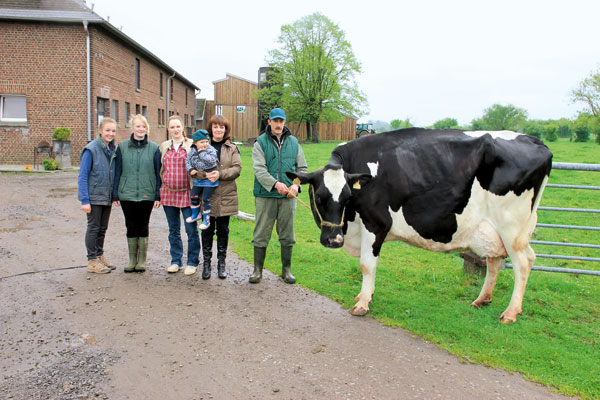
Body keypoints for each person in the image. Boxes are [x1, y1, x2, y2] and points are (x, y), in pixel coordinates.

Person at [250, 107, 308, 284]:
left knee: (288, 234)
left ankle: (286, 271)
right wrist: (275, 184)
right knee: (261, 233)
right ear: (269, 122)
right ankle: (257, 271)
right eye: (275, 121)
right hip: (265, 196)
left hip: (288, 198)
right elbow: (259, 170)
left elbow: (302, 169)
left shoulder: (294, 143)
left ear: (284, 122)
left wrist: (296, 186)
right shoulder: (260, 142)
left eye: (281, 121)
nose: (278, 124)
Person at [113, 114, 161, 272]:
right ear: (132, 128)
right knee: (130, 226)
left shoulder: (154, 148)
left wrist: (157, 195)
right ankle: (132, 259)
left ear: (147, 129)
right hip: (127, 194)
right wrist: (115, 193)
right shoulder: (122, 147)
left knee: (143, 226)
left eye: (143, 127)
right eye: (138, 126)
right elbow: (117, 171)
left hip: (147, 194)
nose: (141, 129)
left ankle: (142, 260)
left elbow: (157, 172)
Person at [200, 115, 241, 280]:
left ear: (226, 130)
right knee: (207, 230)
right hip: (208, 194)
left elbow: (237, 169)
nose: (218, 130)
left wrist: (220, 174)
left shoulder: (231, 148)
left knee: (223, 230)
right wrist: (206, 174)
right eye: (215, 127)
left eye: (221, 127)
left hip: (226, 194)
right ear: (211, 128)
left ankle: (221, 264)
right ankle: (207, 264)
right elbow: (194, 168)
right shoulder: (202, 146)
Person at [159, 115, 200, 276]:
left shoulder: (191, 145)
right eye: (172, 127)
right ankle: (176, 260)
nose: (175, 130)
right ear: (168, 129)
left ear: (183, 128)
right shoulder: (164, 146)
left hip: (188, 194)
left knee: (191, 229)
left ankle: (192, 261)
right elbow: (160, 168)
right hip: (169, 193)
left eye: (178, 126)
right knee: (173, 229)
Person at [77, 117, 117, 274]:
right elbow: (83, 176)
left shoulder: (111, 150)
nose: (110, 133)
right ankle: (92, 260)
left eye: (113, 131)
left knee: (102, 228)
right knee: (93, 228)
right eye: (107, 130)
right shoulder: (91, 149)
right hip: (94, 196)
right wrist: (84, 200)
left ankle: (99, 255)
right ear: (100, 130)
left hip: (105, 196)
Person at [185, 129, 218, 231]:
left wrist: (202, 152)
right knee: (193, 196)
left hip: (209, 180)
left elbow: (211, 161)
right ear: (195, 143)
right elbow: (188, 161)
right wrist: (190, 169)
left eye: (206, 141)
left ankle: (206, 220)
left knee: (205, 199)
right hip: (198, 179)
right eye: (202, 142)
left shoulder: (210, 149)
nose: (205, 144)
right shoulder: (192, 151)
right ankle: (196, 214)